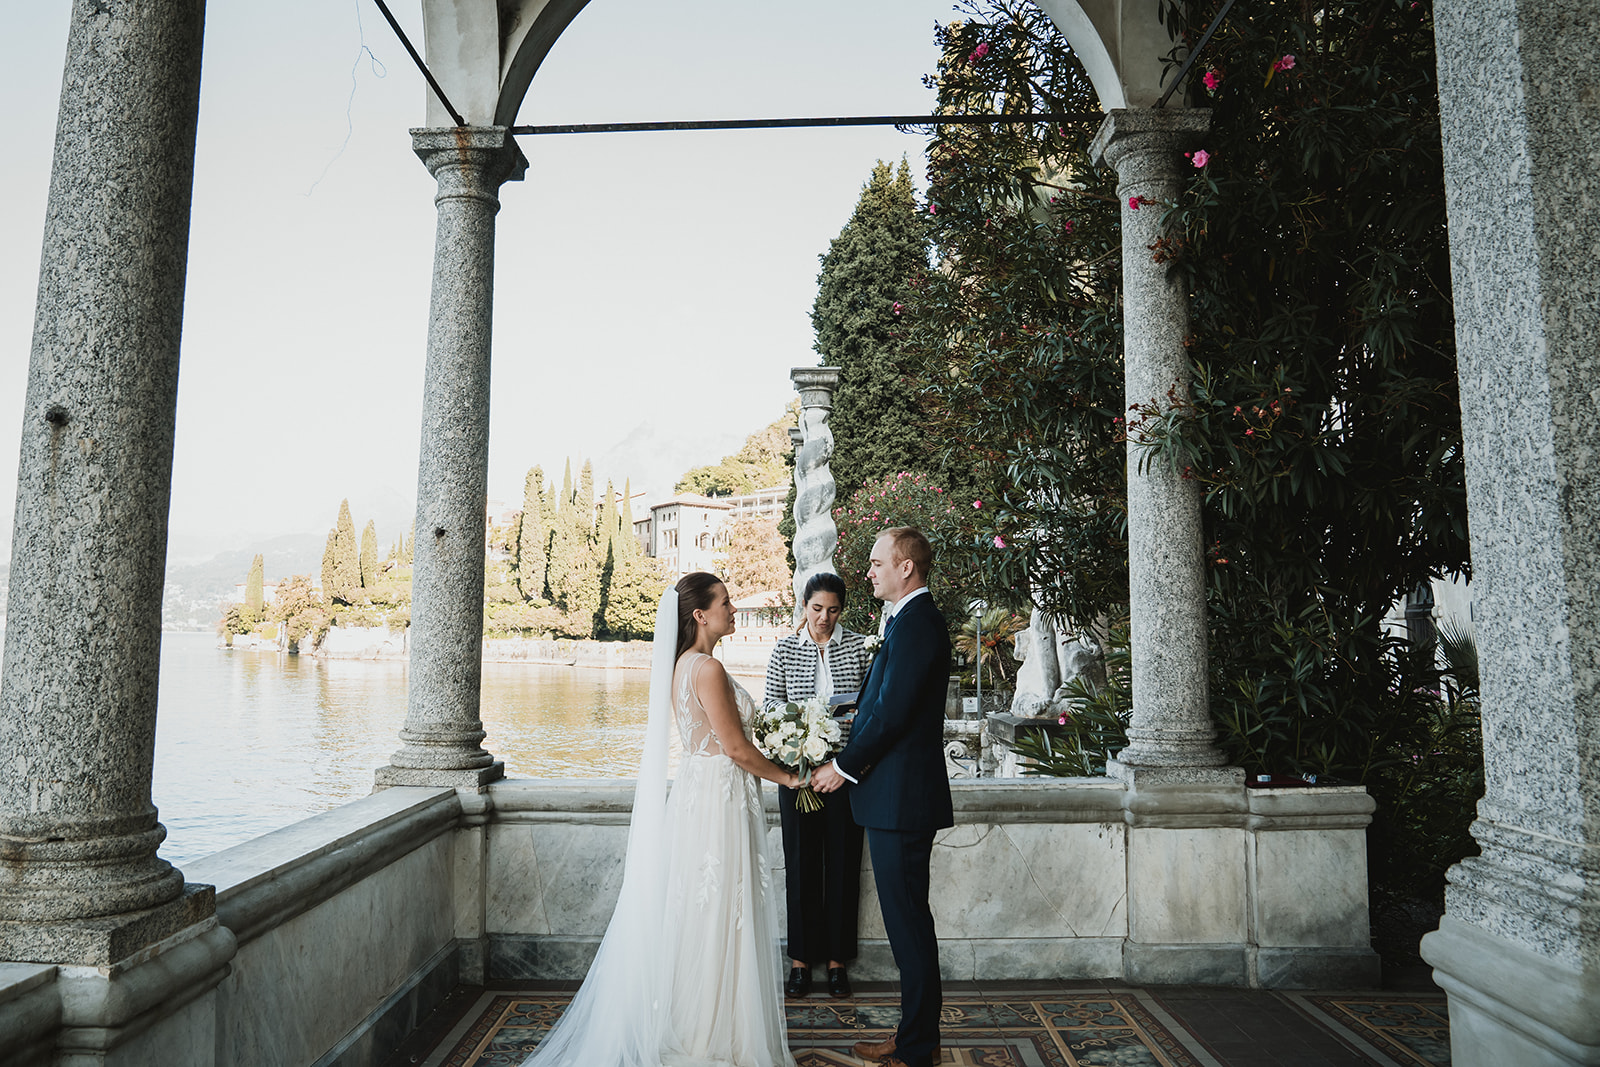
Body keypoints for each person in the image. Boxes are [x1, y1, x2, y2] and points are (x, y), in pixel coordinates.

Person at [523, 572, 800, 1067]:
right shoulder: (707, 670)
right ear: (700, 614)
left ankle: (703, 1022)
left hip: (701, 794)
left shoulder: (682, 666)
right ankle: (714, 1033)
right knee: (720, 914)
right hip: (718, 800)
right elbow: (735, 748)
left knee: (702, 913)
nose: (734, 611)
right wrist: (790, 778)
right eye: (727, 603)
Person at [813, 527, 952, 1067]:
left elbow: (893, 714)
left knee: (909, 926)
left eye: (876, 563)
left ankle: (919, 1048)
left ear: (906, 568)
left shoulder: (918, 624)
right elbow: (879, 705)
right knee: (906, 923)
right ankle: (914, 1033)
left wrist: (843, 768)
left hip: (902, 801)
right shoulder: (904, 622)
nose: (868, 572)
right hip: (894, 798)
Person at [763, 571, 868, 999]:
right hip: (799, 775)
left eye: (833, 610)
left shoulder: (860, 647)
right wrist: (796, 745)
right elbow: (769, 708)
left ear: (843, 609)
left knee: (843, 866)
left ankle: (839, 962)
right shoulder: (784, 649)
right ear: (803, 607)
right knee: (802, 866)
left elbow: (870, 707)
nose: (824, 618)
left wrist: (847, 736)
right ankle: (801, 962)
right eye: (817, 609)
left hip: (844, 774)